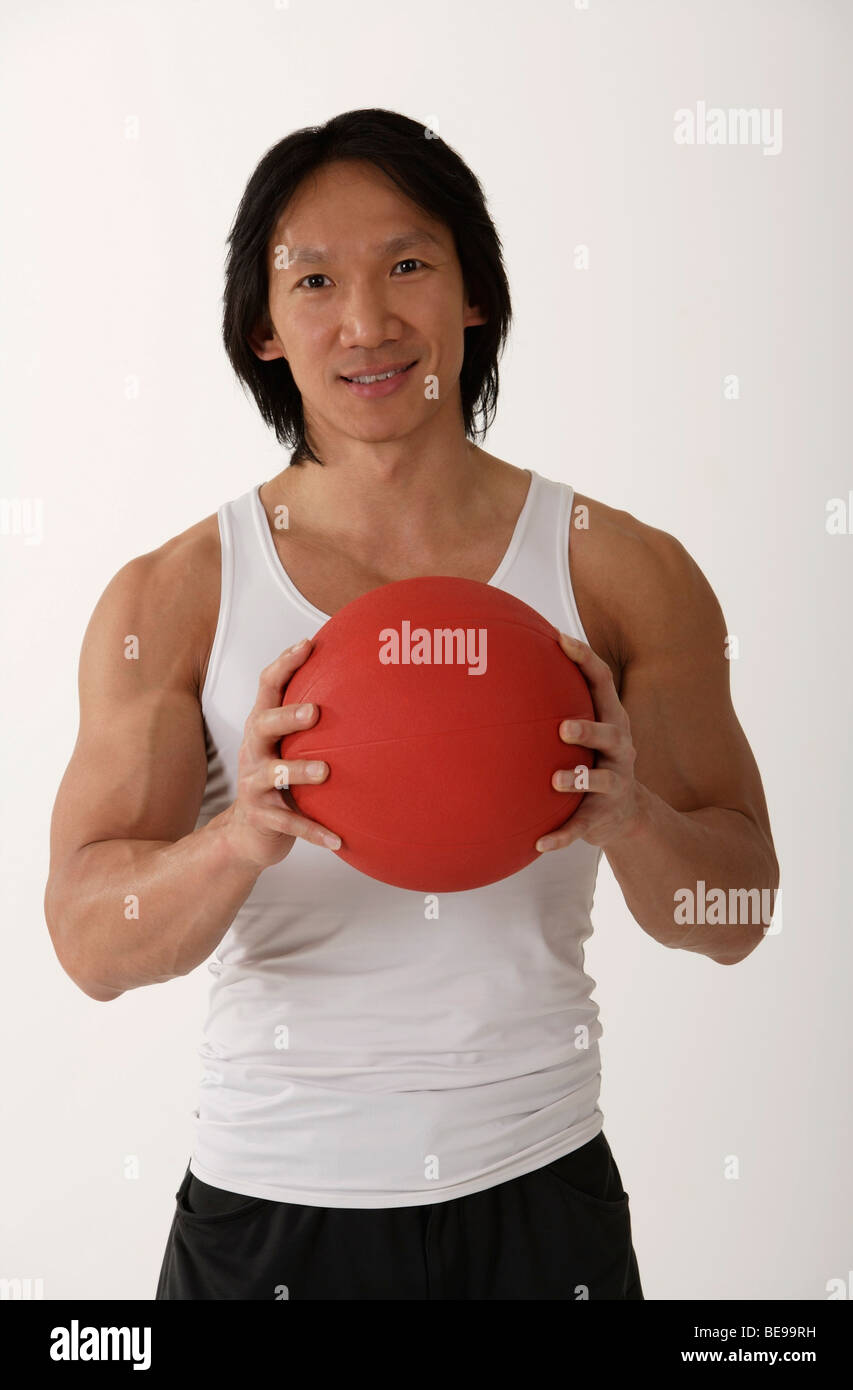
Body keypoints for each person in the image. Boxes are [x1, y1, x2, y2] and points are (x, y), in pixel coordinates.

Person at [44, 108, 779, 1301]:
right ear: (263, 329)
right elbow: (88, 942)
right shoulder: (176, 594)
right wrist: (240, 836)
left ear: (473, 294)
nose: (367, 322)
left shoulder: (620, 571)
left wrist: (634, 818)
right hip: (271, 1212)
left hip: (540, 1197)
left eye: (406, 265)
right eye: (315, 280)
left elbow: (740, 907)